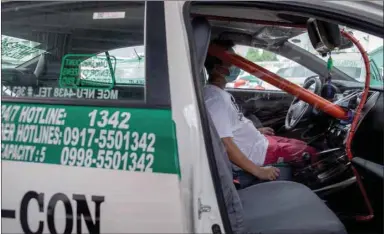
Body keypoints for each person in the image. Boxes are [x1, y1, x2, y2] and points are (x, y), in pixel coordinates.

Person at [203, 39, 318, 187]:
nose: (237, 66)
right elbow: (225, 144)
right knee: (309, 153)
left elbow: (232, 125)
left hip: (260, 142)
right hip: (259, 155)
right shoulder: (215, 100)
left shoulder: (218, 94)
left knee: (301, 144)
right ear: (218, 69)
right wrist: (258, 171)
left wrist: (256, 131)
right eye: (232, 62)